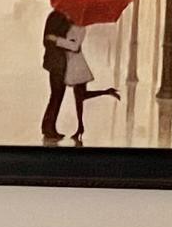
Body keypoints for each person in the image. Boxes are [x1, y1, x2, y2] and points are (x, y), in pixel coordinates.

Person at [37, 10, 118, 142]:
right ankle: (48, 127)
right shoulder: (58, 18)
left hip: (62, 64)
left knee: (58, 95)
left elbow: (73, 46)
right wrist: (57, 40)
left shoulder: (69, 22)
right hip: (57, 63)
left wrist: (57, 40)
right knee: (57, 95)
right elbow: (49, 40)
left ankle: (48, 126)